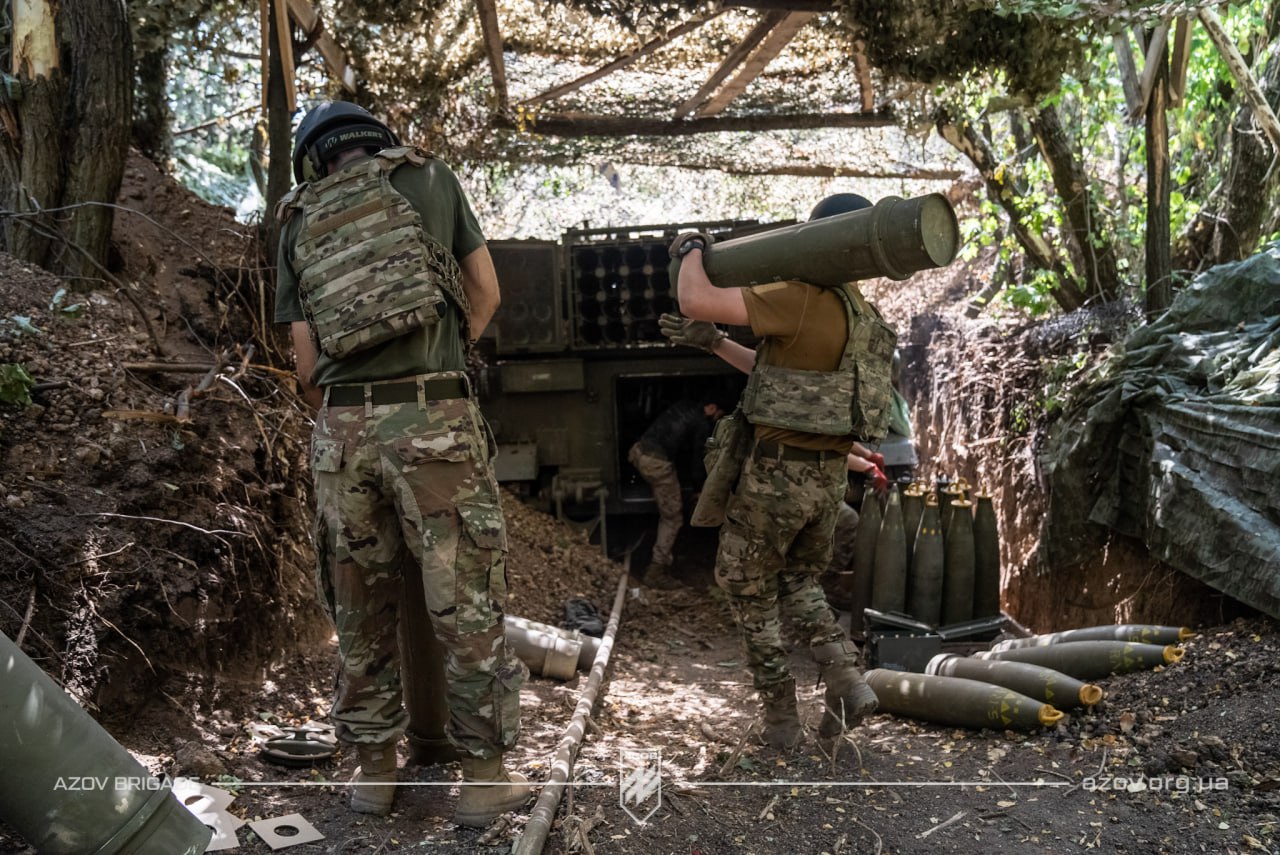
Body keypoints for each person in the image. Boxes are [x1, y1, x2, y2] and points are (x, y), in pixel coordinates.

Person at [274, 100, 529, 824]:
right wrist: (445, 360)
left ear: (314, 159)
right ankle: (484, 778)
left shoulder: (295, 217)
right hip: (434, 419)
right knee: (468, 599)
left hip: (344, 430)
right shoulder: (430, 179)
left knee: (358, 606)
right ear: (375, 140)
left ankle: (372, 773)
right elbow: (486, 292)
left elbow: (305, 367)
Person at [665, 192, 897, 749]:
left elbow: (694, 297)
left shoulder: (799, 297)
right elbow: (784, 378)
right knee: (796, 579)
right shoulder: (864, 316)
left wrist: (693, 245)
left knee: (746, 586)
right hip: (824, 480)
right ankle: (844, 676)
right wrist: (719, 344)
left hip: (776, 476)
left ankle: (781, 722)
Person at [628, 399, 725, 589]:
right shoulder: (702, 423)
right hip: (656, 463)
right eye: (720, 415)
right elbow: (698, 460)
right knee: (672, 517)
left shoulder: (684, 406)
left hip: (640, 452)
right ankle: (656, 571)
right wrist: (699, 490)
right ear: (712, 407)